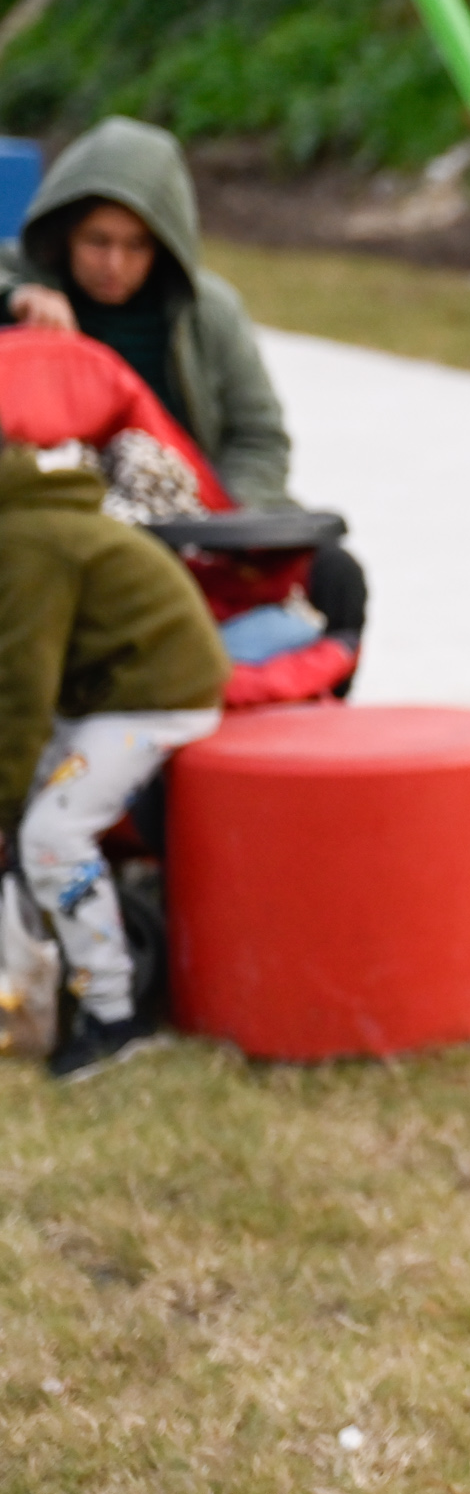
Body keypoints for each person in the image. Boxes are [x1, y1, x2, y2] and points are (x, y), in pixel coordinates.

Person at [1, 119, 368, 649]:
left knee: (335, 576)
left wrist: (227, 523)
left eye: (136, 246)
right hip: (68, 522)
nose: (114, 264)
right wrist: (17, 299)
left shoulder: (209, 311)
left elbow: (259, 436)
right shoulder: (24, 281)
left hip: (194, 521)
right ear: (63, 235)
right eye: (97, 242)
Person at [0, 433, 227, 1080]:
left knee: (49, 836)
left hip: (153, 698)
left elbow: (19, 688)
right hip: (106, 695)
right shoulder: (24, 517)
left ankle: (114, 1015)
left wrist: (5, 806)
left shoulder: (25, 542)